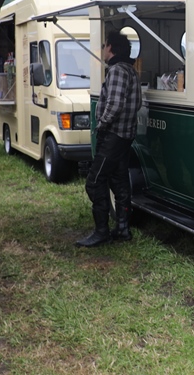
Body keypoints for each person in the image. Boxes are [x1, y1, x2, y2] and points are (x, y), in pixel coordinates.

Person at [76, 32, 142, 247]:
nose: (103, 49)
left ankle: (101, 232)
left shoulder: (116, 71)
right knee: (119, 181)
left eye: (104, 45)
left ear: (110, 48)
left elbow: (114, 104)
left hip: (113, 135)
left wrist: (102, 124)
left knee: (94, 182)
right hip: (125, 135)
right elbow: (136, 103)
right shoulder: (131, 70)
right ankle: (122, 228)